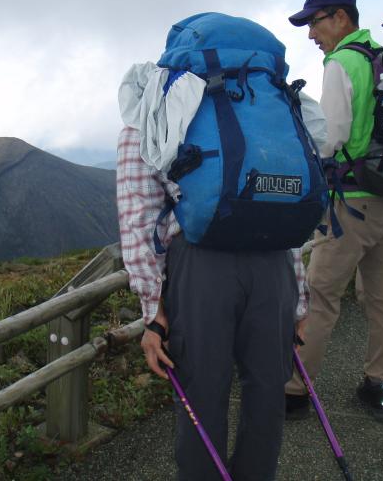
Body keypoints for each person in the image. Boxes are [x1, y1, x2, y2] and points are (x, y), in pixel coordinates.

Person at [116, 45, 317, 480]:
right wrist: (298, 299)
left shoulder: (157, 99)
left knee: (201, 400)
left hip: (201, 268)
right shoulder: (268, 101)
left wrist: (153, 313)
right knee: (266, 398)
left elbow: (138, 217)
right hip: (273, 266)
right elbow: (286, 206)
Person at [284, 0, 383, 423]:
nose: (312, 34)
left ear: (339, 17)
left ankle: (295, 389)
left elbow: (330, 139)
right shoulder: (381, 56)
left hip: (352, 203)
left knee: (319, 297)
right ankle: (382, 380)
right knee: (381, 295)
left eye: (314, 22)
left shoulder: (341, 63)